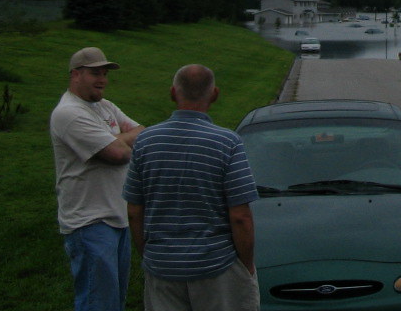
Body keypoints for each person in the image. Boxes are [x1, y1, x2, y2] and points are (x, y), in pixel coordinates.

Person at [123, 64, 260, 311]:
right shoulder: (227, 142)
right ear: (215, 94)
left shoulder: (145, 141)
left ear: (173, 93)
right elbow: (240, 217)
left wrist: (149, 253)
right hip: (215, 266)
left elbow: (134, 211)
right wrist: (246, 266)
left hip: (161, 267)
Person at [50, 46, 144, 311]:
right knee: (98, 303)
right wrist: (119, 142)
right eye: (95, 73)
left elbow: (143, 133)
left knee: (114, 301)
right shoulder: (68, 113)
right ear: (75, 75)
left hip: (118, 217)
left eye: (104, 73)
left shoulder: (105, 107)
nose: (102, 79)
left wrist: (114, 140)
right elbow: (118, 154)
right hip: (90, 222)